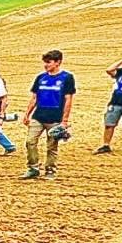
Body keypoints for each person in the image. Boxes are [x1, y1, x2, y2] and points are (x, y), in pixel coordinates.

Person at [23, 49, 75, 180]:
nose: (46, 65)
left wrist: (64, 120)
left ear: (58, 62)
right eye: (45, 62)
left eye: (49, 62)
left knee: (51, 146)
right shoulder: (40, 78)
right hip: (38, 116)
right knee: (30, 142)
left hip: (55, 118)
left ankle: (50, 170)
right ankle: (33, 168)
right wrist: (27, 114)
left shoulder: (67, 78)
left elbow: (68, 100)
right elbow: (34, 97)